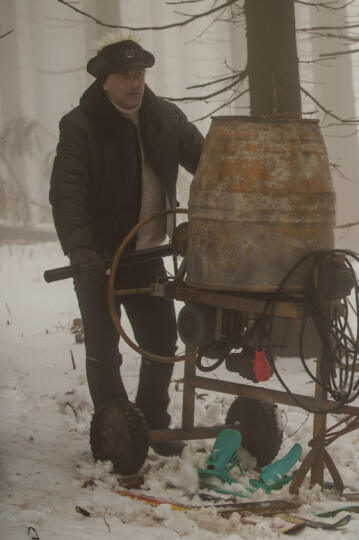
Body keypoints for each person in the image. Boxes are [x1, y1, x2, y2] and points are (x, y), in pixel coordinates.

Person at [49, 37, 205, 458]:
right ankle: (115, 434)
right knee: (103, 348)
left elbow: (208, 161)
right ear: (104, 82)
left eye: (139, 75)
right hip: (97, 259)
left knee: (160, 341)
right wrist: (81, 252)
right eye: (125, 76)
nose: (135, 84)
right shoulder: (80, 125)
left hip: (148, 254)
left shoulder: (166, 118)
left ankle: (153, 422)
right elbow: (67, 195)